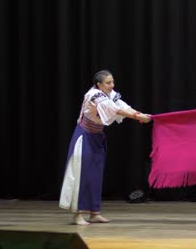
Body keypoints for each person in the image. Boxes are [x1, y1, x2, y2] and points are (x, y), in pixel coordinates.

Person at [59, 69, 151, 225]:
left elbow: (122, 105)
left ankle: (94, 213)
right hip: (84, 137)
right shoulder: (93, 95)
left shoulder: (110, 94)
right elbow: (114, 109)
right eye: (108, 83)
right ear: (99, 84)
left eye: (112, 82)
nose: (112, 85)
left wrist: (139, 114)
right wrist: (137, 117)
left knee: (96, 175)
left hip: (97, 137)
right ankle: (77, 215)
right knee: (82, 175)